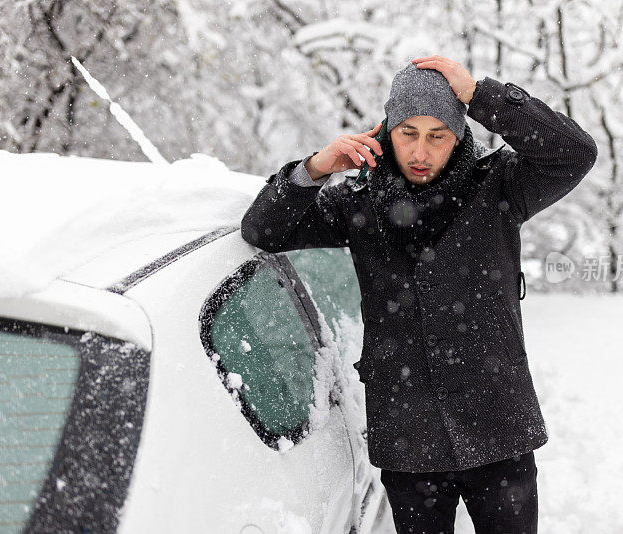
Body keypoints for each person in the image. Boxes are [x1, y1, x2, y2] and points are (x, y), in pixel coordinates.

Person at [241, 54, 598, 534]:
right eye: (408, 132)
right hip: (410, 441)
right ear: (387, 130)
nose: (421, 152)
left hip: (498, 427)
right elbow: (264, 230)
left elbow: (574, 153)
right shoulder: (358, 203)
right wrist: (318, 166)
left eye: (438, 135)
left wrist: (481, 96)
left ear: (459, 134)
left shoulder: (500, 187)